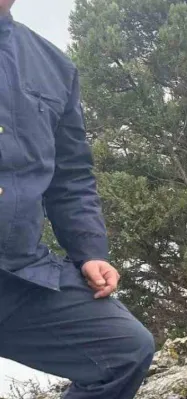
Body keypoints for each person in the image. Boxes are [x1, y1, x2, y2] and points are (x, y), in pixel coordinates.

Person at [0, 1, 155, 398]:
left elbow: (70, 177)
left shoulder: (53, 67)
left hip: (18, 277)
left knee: (125, 351)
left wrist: (89, 251)